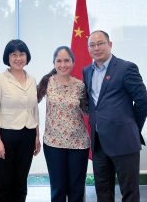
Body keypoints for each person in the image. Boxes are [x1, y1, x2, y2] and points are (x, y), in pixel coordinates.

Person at [83, 30, 147, 202]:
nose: (96, 48)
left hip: (124, 141)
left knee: (129, 193)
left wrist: (133, 127)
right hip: (98, 143)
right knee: (103, 192)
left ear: (110, 44)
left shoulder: (126, 68)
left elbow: (143, 102)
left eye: (100, 43)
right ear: (88, 48)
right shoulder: (87, 71)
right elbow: (93, 105)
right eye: (92, 45)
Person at [0, 39, 41, 202]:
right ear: (8, 57)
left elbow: (34, 109)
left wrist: (37, 136)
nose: (18, 58)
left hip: (28, 135)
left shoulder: (32, 79)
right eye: (14, 54)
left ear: (27, 56)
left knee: (21, 181)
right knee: (5, 183)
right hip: (5, 136)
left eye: (22, 54)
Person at [37, 46, 90, 202]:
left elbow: (88, 110)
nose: (63, 64)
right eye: (59, 61)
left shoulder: (80, 85)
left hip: (78, 144)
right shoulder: (47, 82)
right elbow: (31, 103)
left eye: (66, 60)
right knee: (58, 188)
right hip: (53, 143)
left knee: (76, 189)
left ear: (73, 63)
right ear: (54, 63)